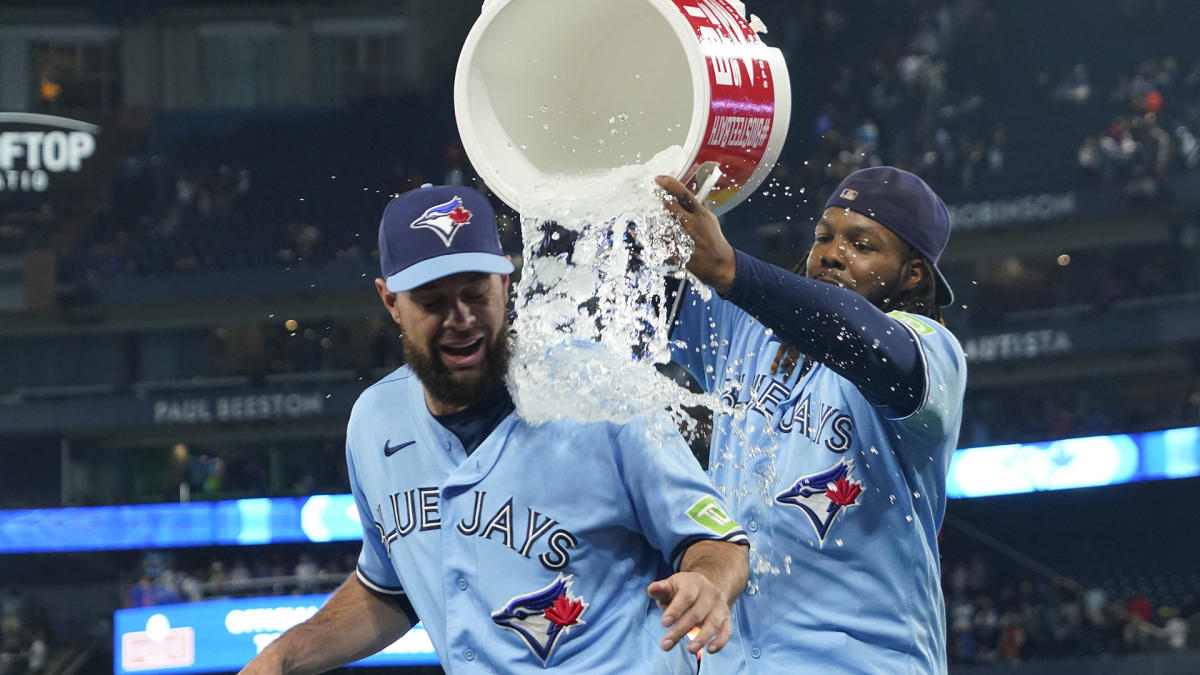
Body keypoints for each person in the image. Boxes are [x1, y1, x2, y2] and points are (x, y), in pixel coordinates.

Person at [240, 184, 750, 674]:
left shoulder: (600, 390)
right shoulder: (375, 421)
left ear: (505, 283)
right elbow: (388, 593)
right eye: (432, 302)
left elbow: (718, 542)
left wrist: (706, 581)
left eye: (475, 293)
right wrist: (283, 656)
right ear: (390, 301)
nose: (461, 318)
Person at [657, 166, 967, 674]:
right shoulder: (749, 328)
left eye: (861, 245)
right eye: (824, 236)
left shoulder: (934, 353)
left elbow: (861, 336)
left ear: (912, 273)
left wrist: (733, 268)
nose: (832, 253)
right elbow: (632, 285)